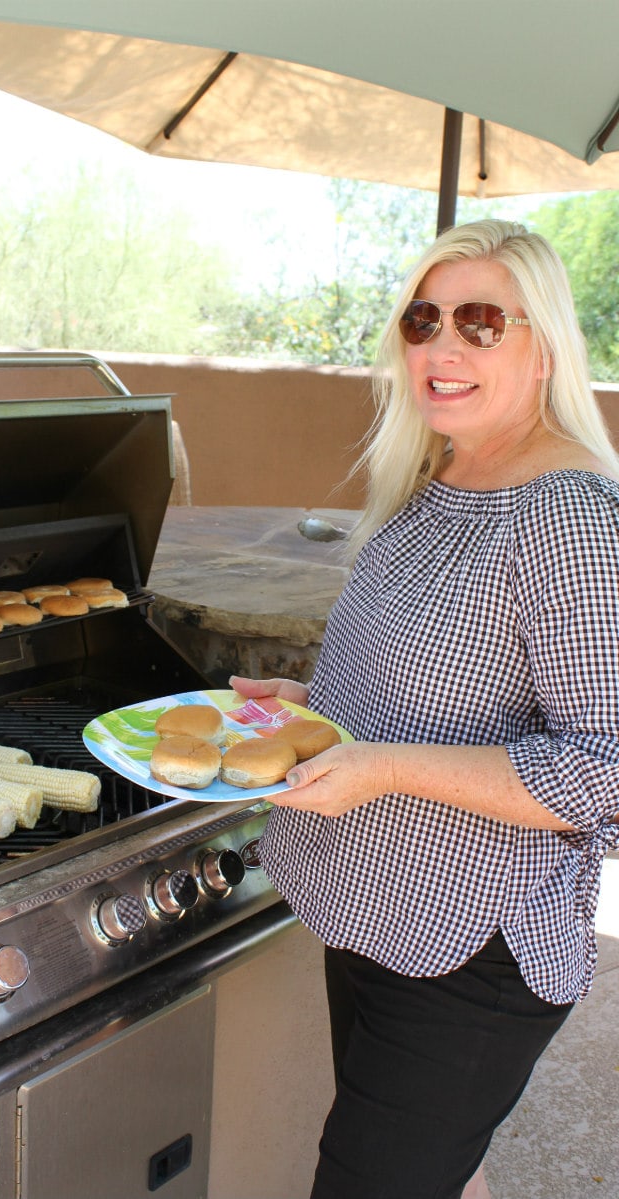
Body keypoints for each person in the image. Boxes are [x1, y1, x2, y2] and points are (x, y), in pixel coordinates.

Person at [230, 218, 619, 1199]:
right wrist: (316, 707)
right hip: (378, 912)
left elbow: (601, 769)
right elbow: (437, 693)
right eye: (421, 318)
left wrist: (383, 767)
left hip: (469, 953)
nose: (441, 347)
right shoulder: (437, 473)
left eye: (480, 321)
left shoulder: (566, 516)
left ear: (543, 350)